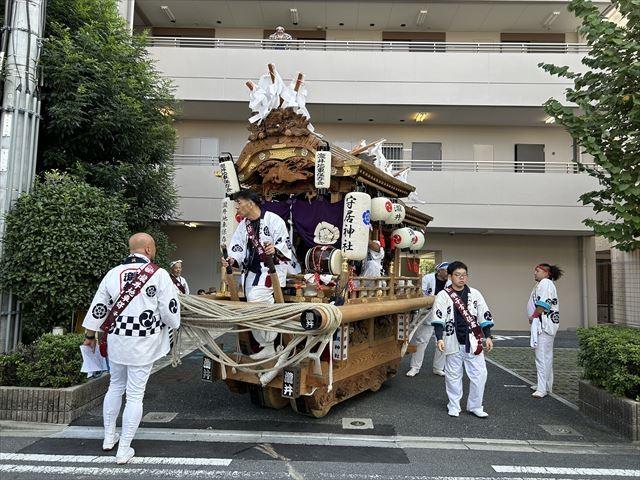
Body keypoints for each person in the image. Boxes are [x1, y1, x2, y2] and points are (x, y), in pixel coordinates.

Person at [82, 233, 180, 464]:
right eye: (153, 247)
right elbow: (169, 310)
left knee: (115, 385)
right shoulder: (159, 274)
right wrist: (176, 324)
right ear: (147, 249)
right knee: (135, 394)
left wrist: (89, 336)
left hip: (116, 339)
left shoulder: (113, 273)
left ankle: (108, 438)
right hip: (143, 340)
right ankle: (124, 448)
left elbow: (99, 307)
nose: (154, 250)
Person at [222, 189, 292, 360]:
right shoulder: (243, 225)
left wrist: (274, 249)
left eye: (239, 202)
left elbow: (285, 244)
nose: (236, 207)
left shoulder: (273, 220)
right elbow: (237, 248)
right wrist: (232, 260)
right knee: (249, 307)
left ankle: (269, 343)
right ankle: (264, 345)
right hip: (251, 272)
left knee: (256, 299)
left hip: (270, 270)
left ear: (250, 203)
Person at [431, 261, 494, 418]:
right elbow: (438, 318)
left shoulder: (475, 294)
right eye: (458, 275)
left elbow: (484, 315)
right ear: (451, 276)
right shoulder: (443, 295)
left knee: (480, 375)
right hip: (452, 340)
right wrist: (439, 338)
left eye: (464, 275)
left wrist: (488, 336)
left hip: (473, 341)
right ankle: (454, 405)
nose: (461, 278)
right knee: (453, 375)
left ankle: (475, 405)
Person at [406, 262, 450, 377]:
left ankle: (438, 368)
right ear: (439, 270)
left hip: (443, 315)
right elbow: (422, 293)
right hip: (427, 312)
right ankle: (415, 367)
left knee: (442, 342)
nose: (447, 273)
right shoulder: (428, 278)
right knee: (421, 341)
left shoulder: (450, 282)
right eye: (446, 270)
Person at [528, 263, 562, 399]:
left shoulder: (546, 283)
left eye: (537, 271)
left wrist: (534, 316)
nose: (534, 273)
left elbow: (543, 303)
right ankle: (546, 385)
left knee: (541, 356)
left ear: (546, 273)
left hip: (544, 324)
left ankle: (542, 388)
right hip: (544, 323)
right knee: (545, 356)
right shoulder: (544, 283)